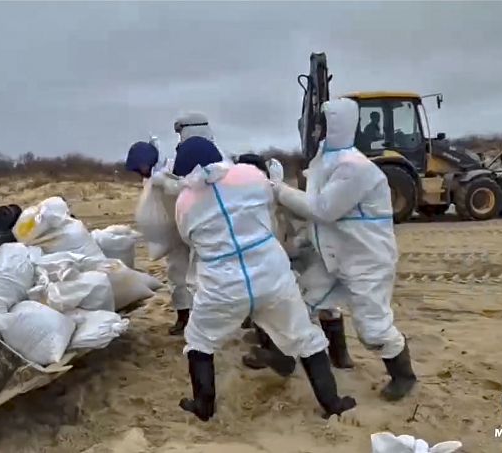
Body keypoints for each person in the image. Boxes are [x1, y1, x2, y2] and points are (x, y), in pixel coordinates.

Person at [173, 137, 356, 422]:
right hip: (270, 275)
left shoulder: (184, 202)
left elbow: (188, 237)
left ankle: (203, 406)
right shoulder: (250, 176)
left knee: (199, 340)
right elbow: (272, 201)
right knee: (304, 336)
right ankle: (333, 403)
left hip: (223, 285)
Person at [272, 97, 417, 402]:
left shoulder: (356, 168)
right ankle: (306, 358)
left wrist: (279, 191)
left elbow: (323, 209)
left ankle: (403, 374)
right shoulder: (325, 162)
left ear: (336, 126)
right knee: (304, 302)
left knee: (373, 327)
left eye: (322, 124)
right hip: (333, 255)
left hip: (366, 259)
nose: (317, 130)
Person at [233, 154, 354, 375]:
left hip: (302, 255)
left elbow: (306, 221)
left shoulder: (278, 195)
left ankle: (332, 355)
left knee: (275, 303)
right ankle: (336, 356)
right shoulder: (256, 197)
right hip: (292, 256)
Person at [125, 139, 193, 335]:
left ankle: (197, 317)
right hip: (171, 234)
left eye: (141, 166)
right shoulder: (150, 176)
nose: (140, 171)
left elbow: (183, 188)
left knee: (197, 276)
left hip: (186, 227)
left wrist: (164, 181)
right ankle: (183, 316)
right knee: (176, 275)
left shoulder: (171, 168)